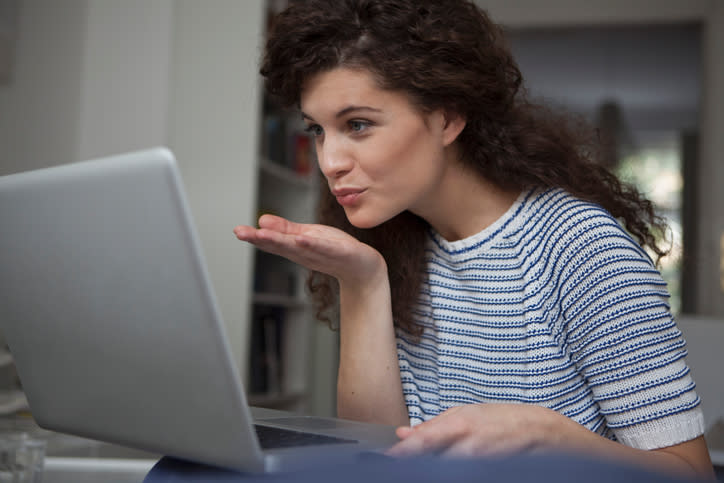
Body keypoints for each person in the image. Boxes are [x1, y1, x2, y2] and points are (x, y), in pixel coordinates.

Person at [234, 0, 714, 479]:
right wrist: (361, 283)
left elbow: (690, 475)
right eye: (317, 130)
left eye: (357, 124)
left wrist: (546, 436)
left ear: (448, 118)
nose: (329, 160)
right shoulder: (396, 243)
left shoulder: (583, 251)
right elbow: (376, 465)